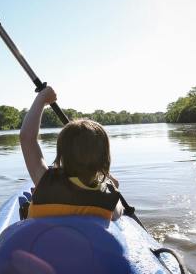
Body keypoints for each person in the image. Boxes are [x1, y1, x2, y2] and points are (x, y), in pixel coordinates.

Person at [20, 86, 123, 220]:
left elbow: (27, 137)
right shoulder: (108, 198)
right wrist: (111, 185)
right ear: (104, 159)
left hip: (41, 239)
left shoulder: (45, 181)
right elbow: (118, 212)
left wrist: (42, 99)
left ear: (61, 156)